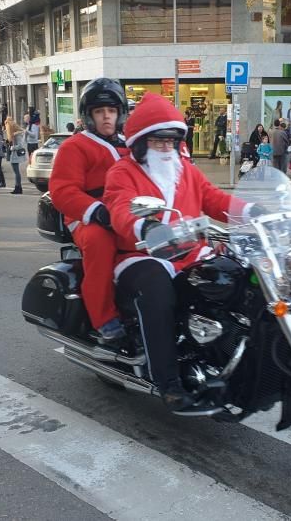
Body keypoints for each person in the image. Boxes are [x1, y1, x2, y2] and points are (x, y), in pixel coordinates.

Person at [104, 92, 255, 410]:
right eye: (158, 141)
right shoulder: (123, 172)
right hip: (141, 255)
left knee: (239, 277)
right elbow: (119, 207)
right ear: (142, 142)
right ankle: (168, 382)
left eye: (171, 141)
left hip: (189, 251)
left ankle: (235, 355)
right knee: (158, 291)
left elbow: (215, 199)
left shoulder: (185, 170)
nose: (165, 147)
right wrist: (143, 226)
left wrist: (254, 212)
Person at [49, 77, 131, 342]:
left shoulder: (130, 145)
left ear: (120, 114)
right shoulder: (74, 146)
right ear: (89, 115)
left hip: (128, 213)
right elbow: (63, 191)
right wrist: (96, 210)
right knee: (100, 242)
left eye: (111, 111)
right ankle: (103, 318)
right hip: (87, 218)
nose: (106, 117)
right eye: (99, 112)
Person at [4, 115, 25, 194]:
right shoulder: (14, 134)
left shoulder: (17, 135)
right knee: (16, 171)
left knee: (16, 172)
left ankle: (18, 187)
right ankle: (18, 187)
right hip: (14, 154)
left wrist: (13, 148)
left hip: (16, 154)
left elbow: (20, 145)